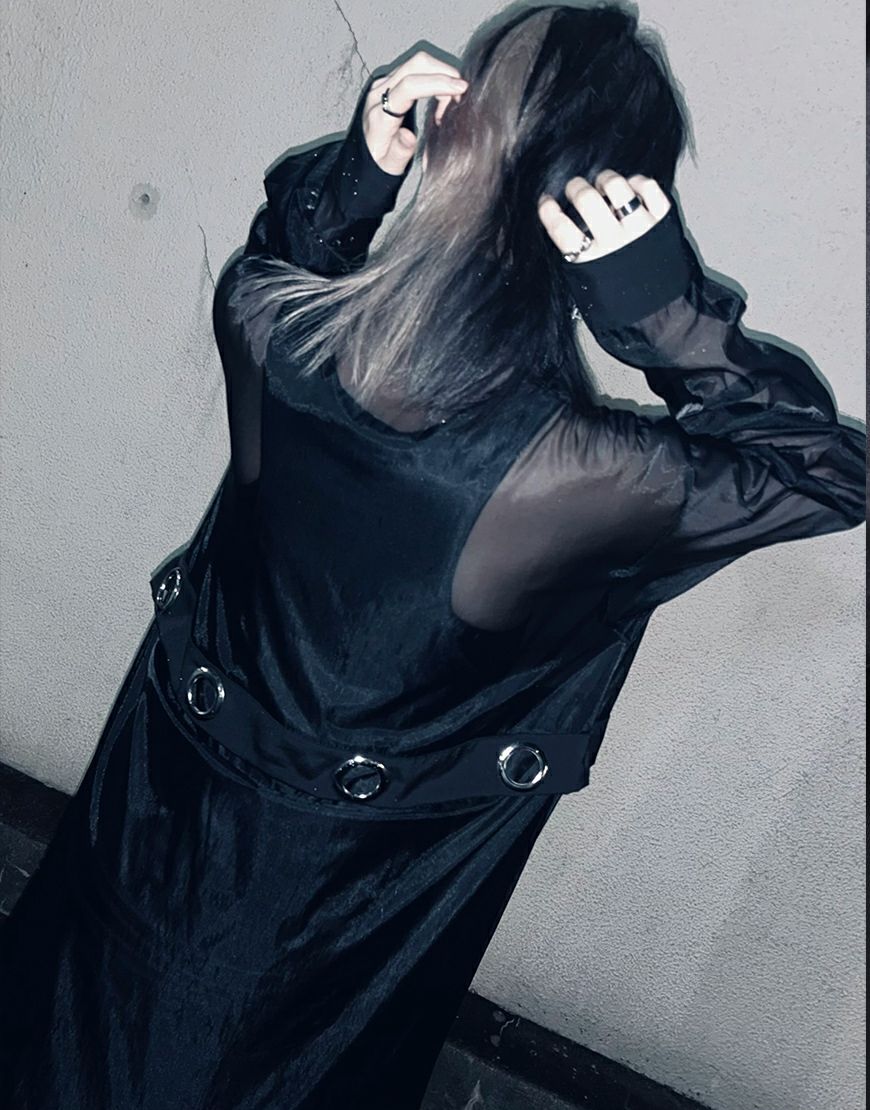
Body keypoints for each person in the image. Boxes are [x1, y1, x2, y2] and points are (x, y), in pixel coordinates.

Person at [1, 4, 865, 1108]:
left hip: (159, 811)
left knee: (71, 1021)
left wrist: (357, 180)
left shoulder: (270, 319)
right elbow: (822, 476)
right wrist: (663, 313)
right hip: (334, 902)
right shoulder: (571, 474)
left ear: (452, 138)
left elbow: (284, 251)